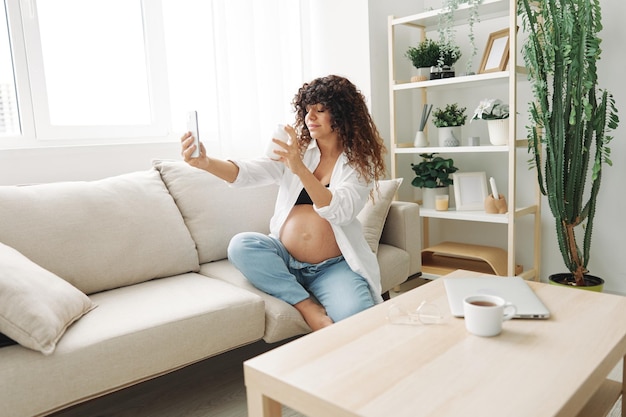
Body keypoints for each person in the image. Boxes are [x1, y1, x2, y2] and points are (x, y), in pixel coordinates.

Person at [180, 75, 387, 331]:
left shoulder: (359, 163)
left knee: (358, 320)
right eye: (307, 110)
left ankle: (317, 293)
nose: (310, 117)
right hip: (285, 257)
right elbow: (247, 173)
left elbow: (341, 212)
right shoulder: (296, 150)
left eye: (320, 110)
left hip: (331, 268)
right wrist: (206, 163)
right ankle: (305, 305)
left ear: (343, 115)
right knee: (242, 245)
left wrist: (299, 169)